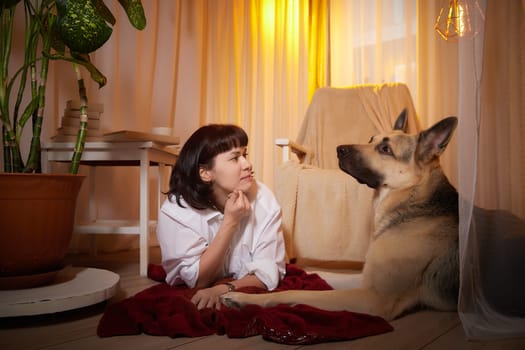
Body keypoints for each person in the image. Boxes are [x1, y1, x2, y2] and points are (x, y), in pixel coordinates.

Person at [157, 124, 286, 310]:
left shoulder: (263, 198)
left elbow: (269, 271)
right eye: (235, 158)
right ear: (206, 173)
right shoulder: (177, 211)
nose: (247, 164)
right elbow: (198, 280)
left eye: (245, 155)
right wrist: (230, 221)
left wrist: (224, 289)